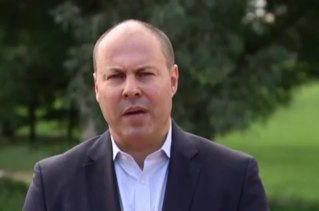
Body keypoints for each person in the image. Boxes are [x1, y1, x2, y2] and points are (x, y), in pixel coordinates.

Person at [23, 19, 269, 211]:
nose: (131, 89)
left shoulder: (234, 178)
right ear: (97, 88)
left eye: (145, 74)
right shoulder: (54, 184)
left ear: (173, 81)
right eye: (116, 76)